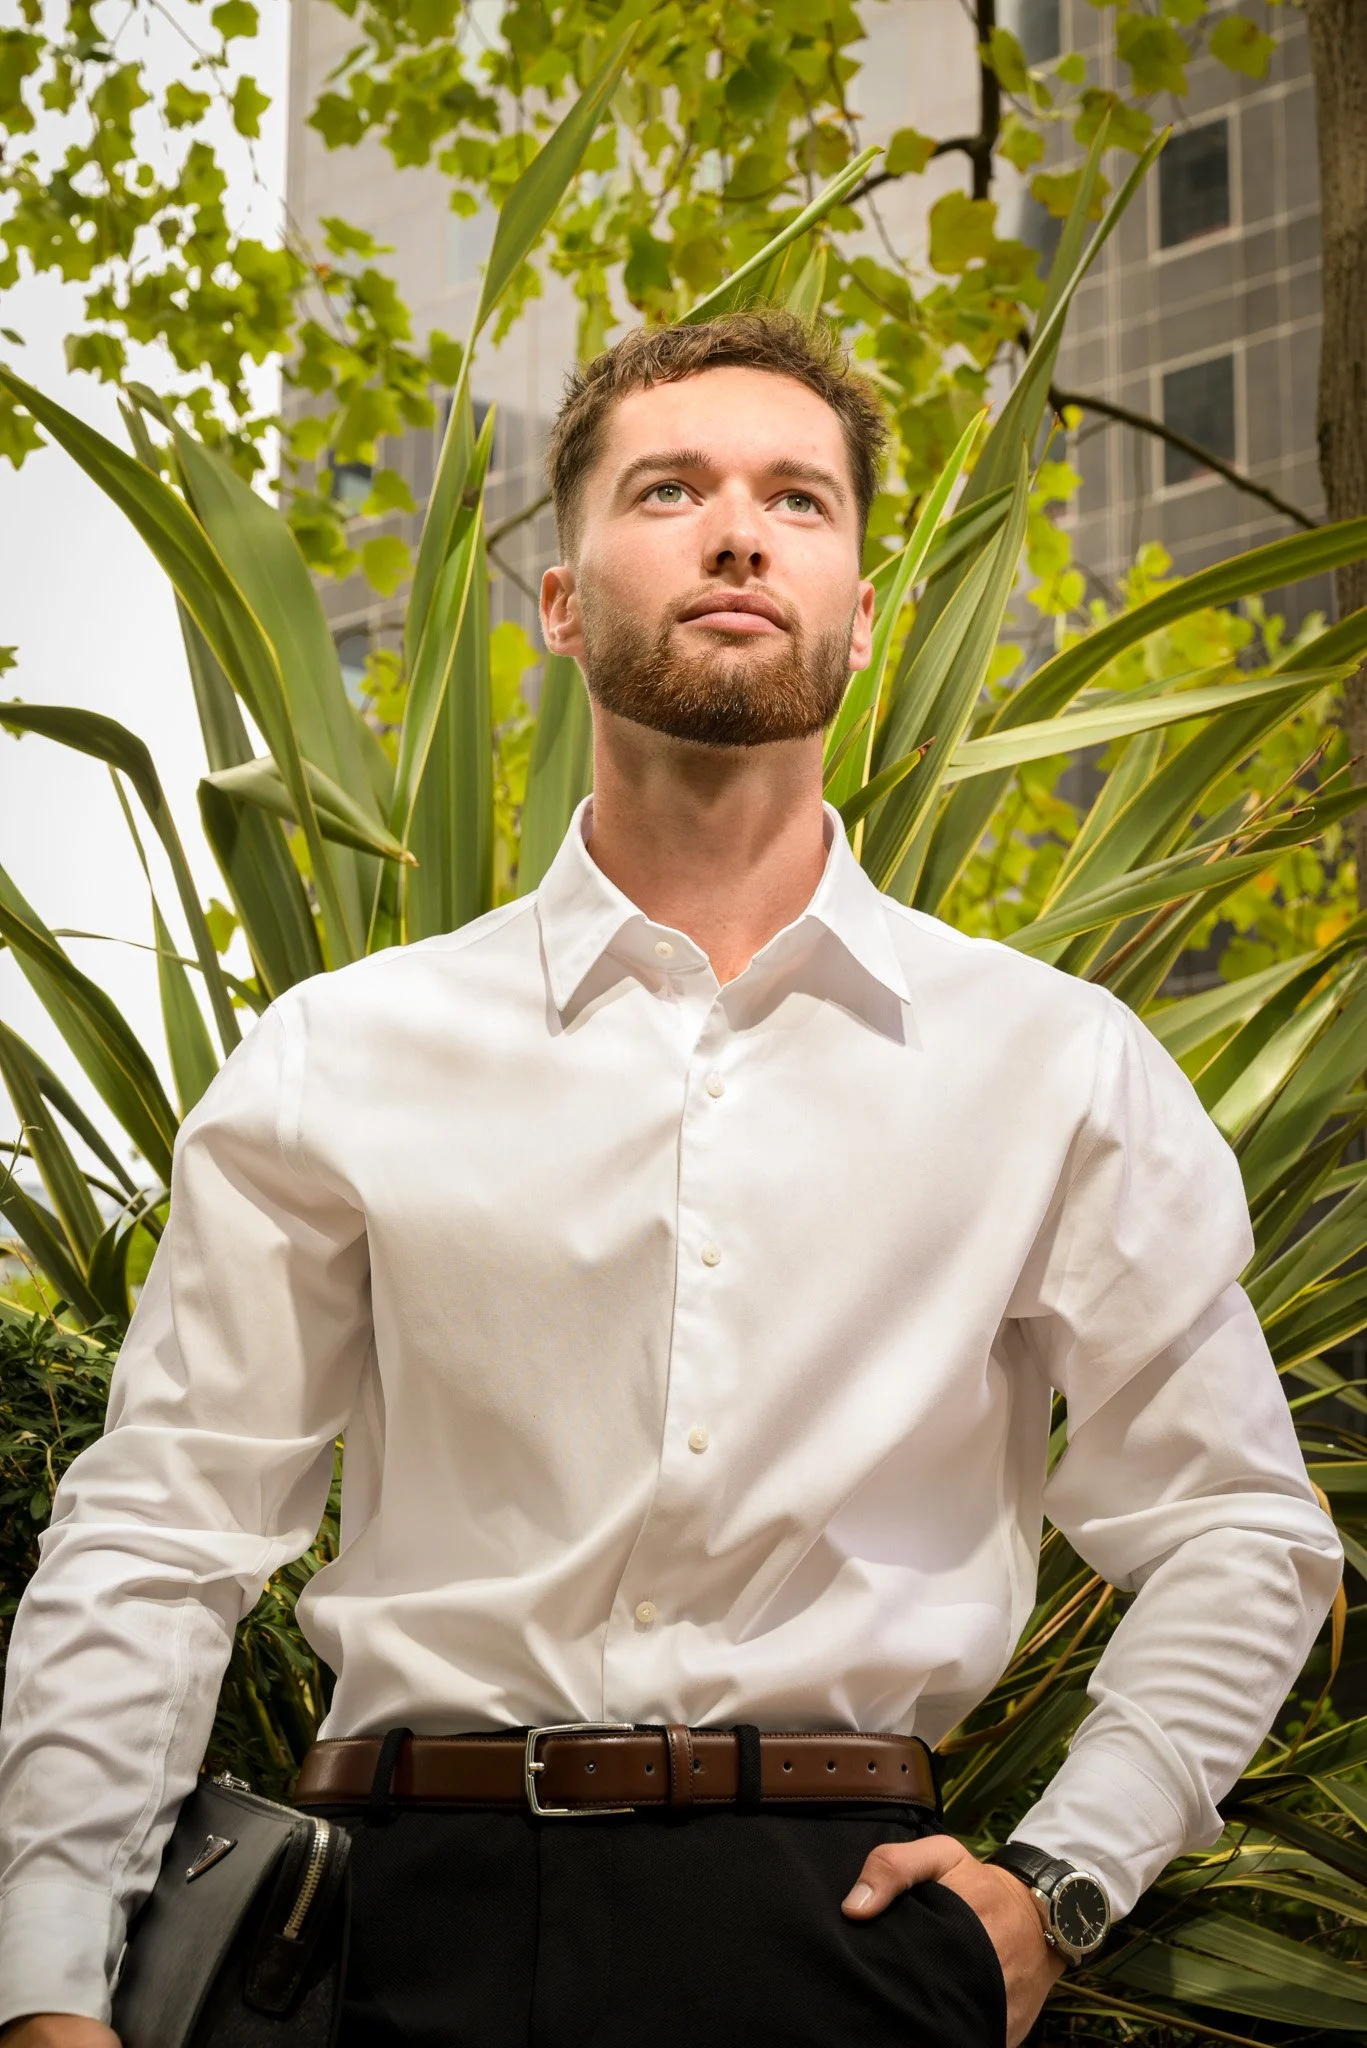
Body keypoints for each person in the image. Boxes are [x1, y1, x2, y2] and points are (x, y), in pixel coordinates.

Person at [0, 311, 1342, 2048]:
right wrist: (47, 1989)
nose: (735, 531)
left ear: (864, 614)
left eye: (797, 498)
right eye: (668, 489)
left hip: (853, 1937)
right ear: (559, 602)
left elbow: (1237, 1524)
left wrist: (1062, 1881)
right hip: (400, 1928)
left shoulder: (1053, 1065)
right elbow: (163, 1532)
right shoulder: (343, 1052)